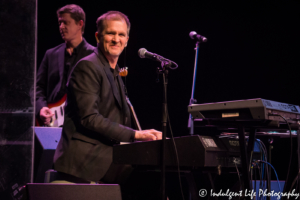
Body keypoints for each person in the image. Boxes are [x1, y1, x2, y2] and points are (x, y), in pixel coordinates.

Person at [53, 10, 162, 185]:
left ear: (127, 40)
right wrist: (136, 135)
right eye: (111, 33)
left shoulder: (115, 72)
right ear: (98, 36)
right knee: (147, 181)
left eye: (121, 35)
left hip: (106, 157)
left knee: (158, 175)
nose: (116, 39)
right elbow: (90, 118)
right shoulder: (87, 67)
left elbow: (118, 119)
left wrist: (144, 138)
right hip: (85, 161)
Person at [36, 4, 95, 126]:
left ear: (80, 24)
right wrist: (41, 108)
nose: (61, 27)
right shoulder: (50, 54)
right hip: (52, 120)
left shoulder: (94, 55)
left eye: (66, 23)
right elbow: (38, 87)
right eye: (60, 23)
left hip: (81, 123)